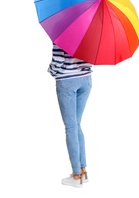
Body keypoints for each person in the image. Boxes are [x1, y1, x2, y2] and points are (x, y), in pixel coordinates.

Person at [48, 43, 92, 188]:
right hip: (86, 80)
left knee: (71, 127)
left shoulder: (62, 33)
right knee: (76, 125)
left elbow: (58, 61)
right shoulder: (90, 33)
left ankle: (76, 175)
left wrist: (51, 71)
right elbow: (92, 59)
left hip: (67, 81)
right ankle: (82, 170)